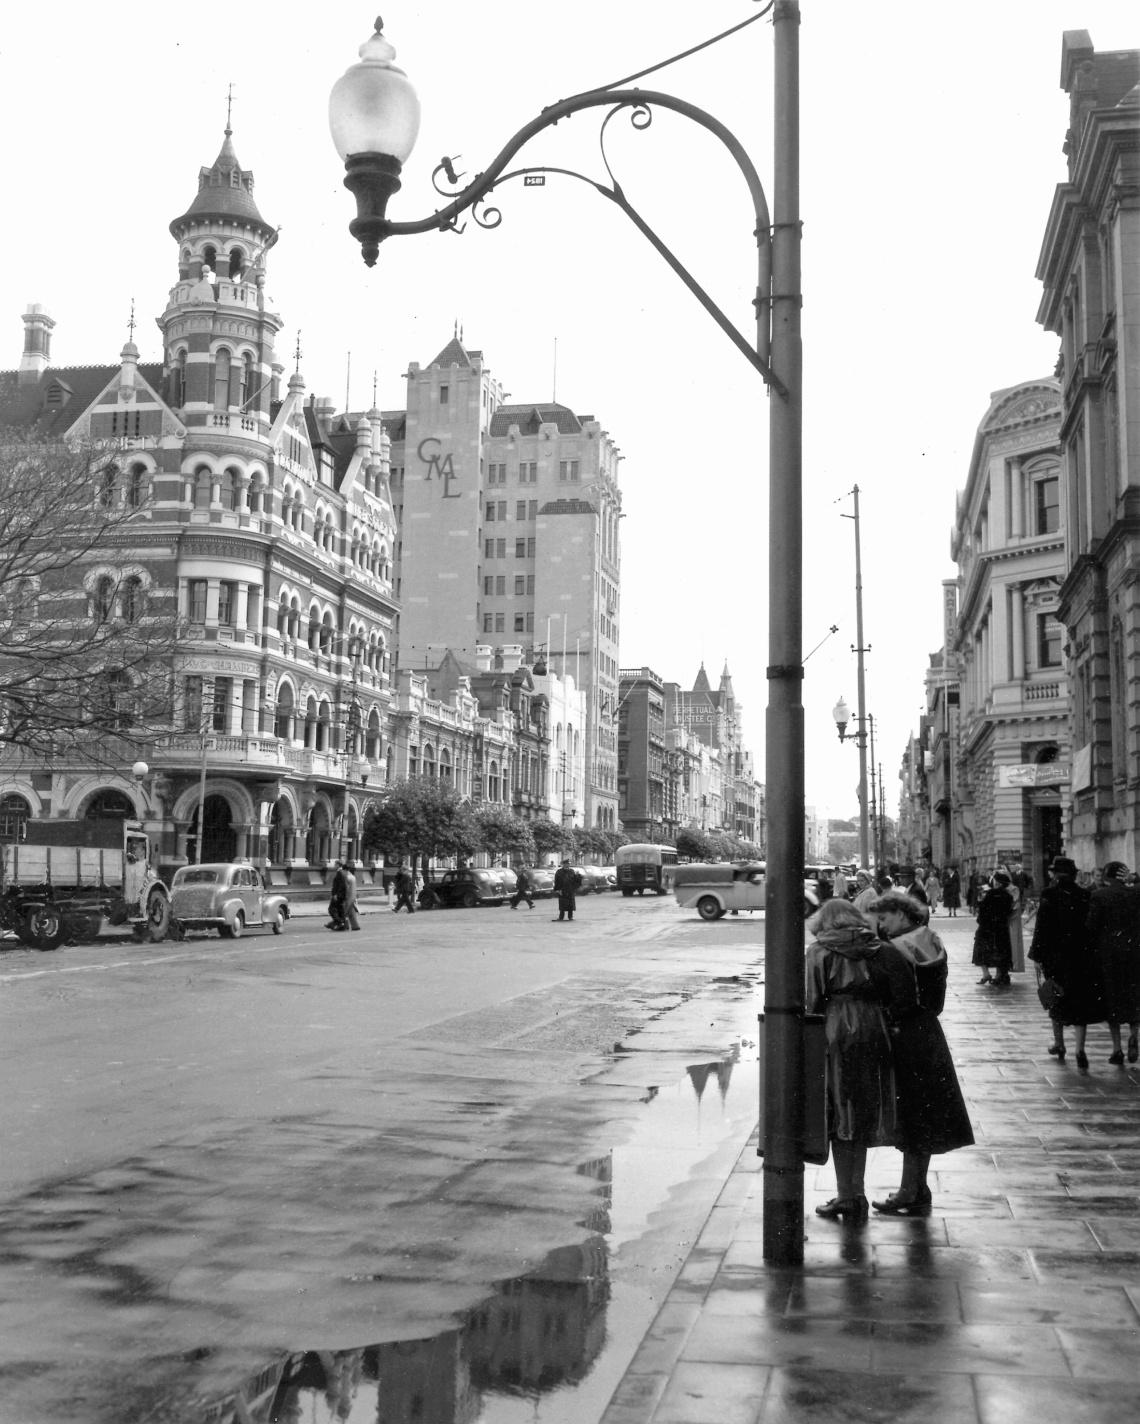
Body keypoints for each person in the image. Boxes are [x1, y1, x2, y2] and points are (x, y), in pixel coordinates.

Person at [805, 897, 916, 1222]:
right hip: (874, 1027)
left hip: (835, 1029)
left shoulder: (820, 951)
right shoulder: (879, 947)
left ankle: (848, 1196)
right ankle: (857, 1192)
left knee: (840, 1112)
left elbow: (812, 1002)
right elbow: (901, 994)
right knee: (863, 1110)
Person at [868, 892, 975, 1213]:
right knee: (926, 1114)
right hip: (929, 1032)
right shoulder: (932, 940)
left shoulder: (893, 951)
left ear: (900, 914)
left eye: (884, 919)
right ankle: (918, 1186)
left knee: (912, 1115)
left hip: (903, 1038)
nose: (880, 925)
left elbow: (895, 1002)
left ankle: (909, 1192)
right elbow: (936, 1000)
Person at [1027, 856, 1099, 1067]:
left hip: (1055, 957)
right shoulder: (1085, 895)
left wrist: (1036, 956)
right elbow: (1090, 928)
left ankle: (1059, 1043)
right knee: (1079, 1001)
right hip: (1079, 957)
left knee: (1056, 997)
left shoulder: (1049, 894)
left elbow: (1041, 927)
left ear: (1055, 874)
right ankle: (1080, 1049)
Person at [1087, 862, 1140, 1065]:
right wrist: (1135, 879)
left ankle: (1117, 1048)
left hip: (1109, 955)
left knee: (1112, 999)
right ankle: (1134, 1035)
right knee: (1134, 996)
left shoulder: (1099, 896)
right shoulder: (1136, 893)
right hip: (1135, 951)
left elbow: (1091, 927)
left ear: (1107, 878)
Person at [973, 871, 1014, 986]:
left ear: (998, 883)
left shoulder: (990, 893)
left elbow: (983, 909)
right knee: (1000, 951)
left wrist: (980, 921)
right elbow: (1008, 912)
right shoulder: (1008, 896)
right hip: (1001, 928)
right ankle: (998, 975)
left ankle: (986, 974)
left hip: (987, 927)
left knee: (981, 950)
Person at [327, 861, 349, 931]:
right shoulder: (342, 873)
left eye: (335, 864)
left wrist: (336, 895)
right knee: (340, 910)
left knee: (331, 909)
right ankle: (343, 925)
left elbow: (341, 885)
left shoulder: (340, 873)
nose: (334, 865)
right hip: (341, 895)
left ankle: (340, 922)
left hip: (338, 896)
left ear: (338, 865)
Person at [342, 862, 361, 931]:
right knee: (351, 911)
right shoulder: (353, 877)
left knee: (345, 910)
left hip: (348, 896)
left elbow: (346, 887)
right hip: (353, 896)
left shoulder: (347, 878)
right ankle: (355, 925)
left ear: (344, 870)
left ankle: (345, 925)